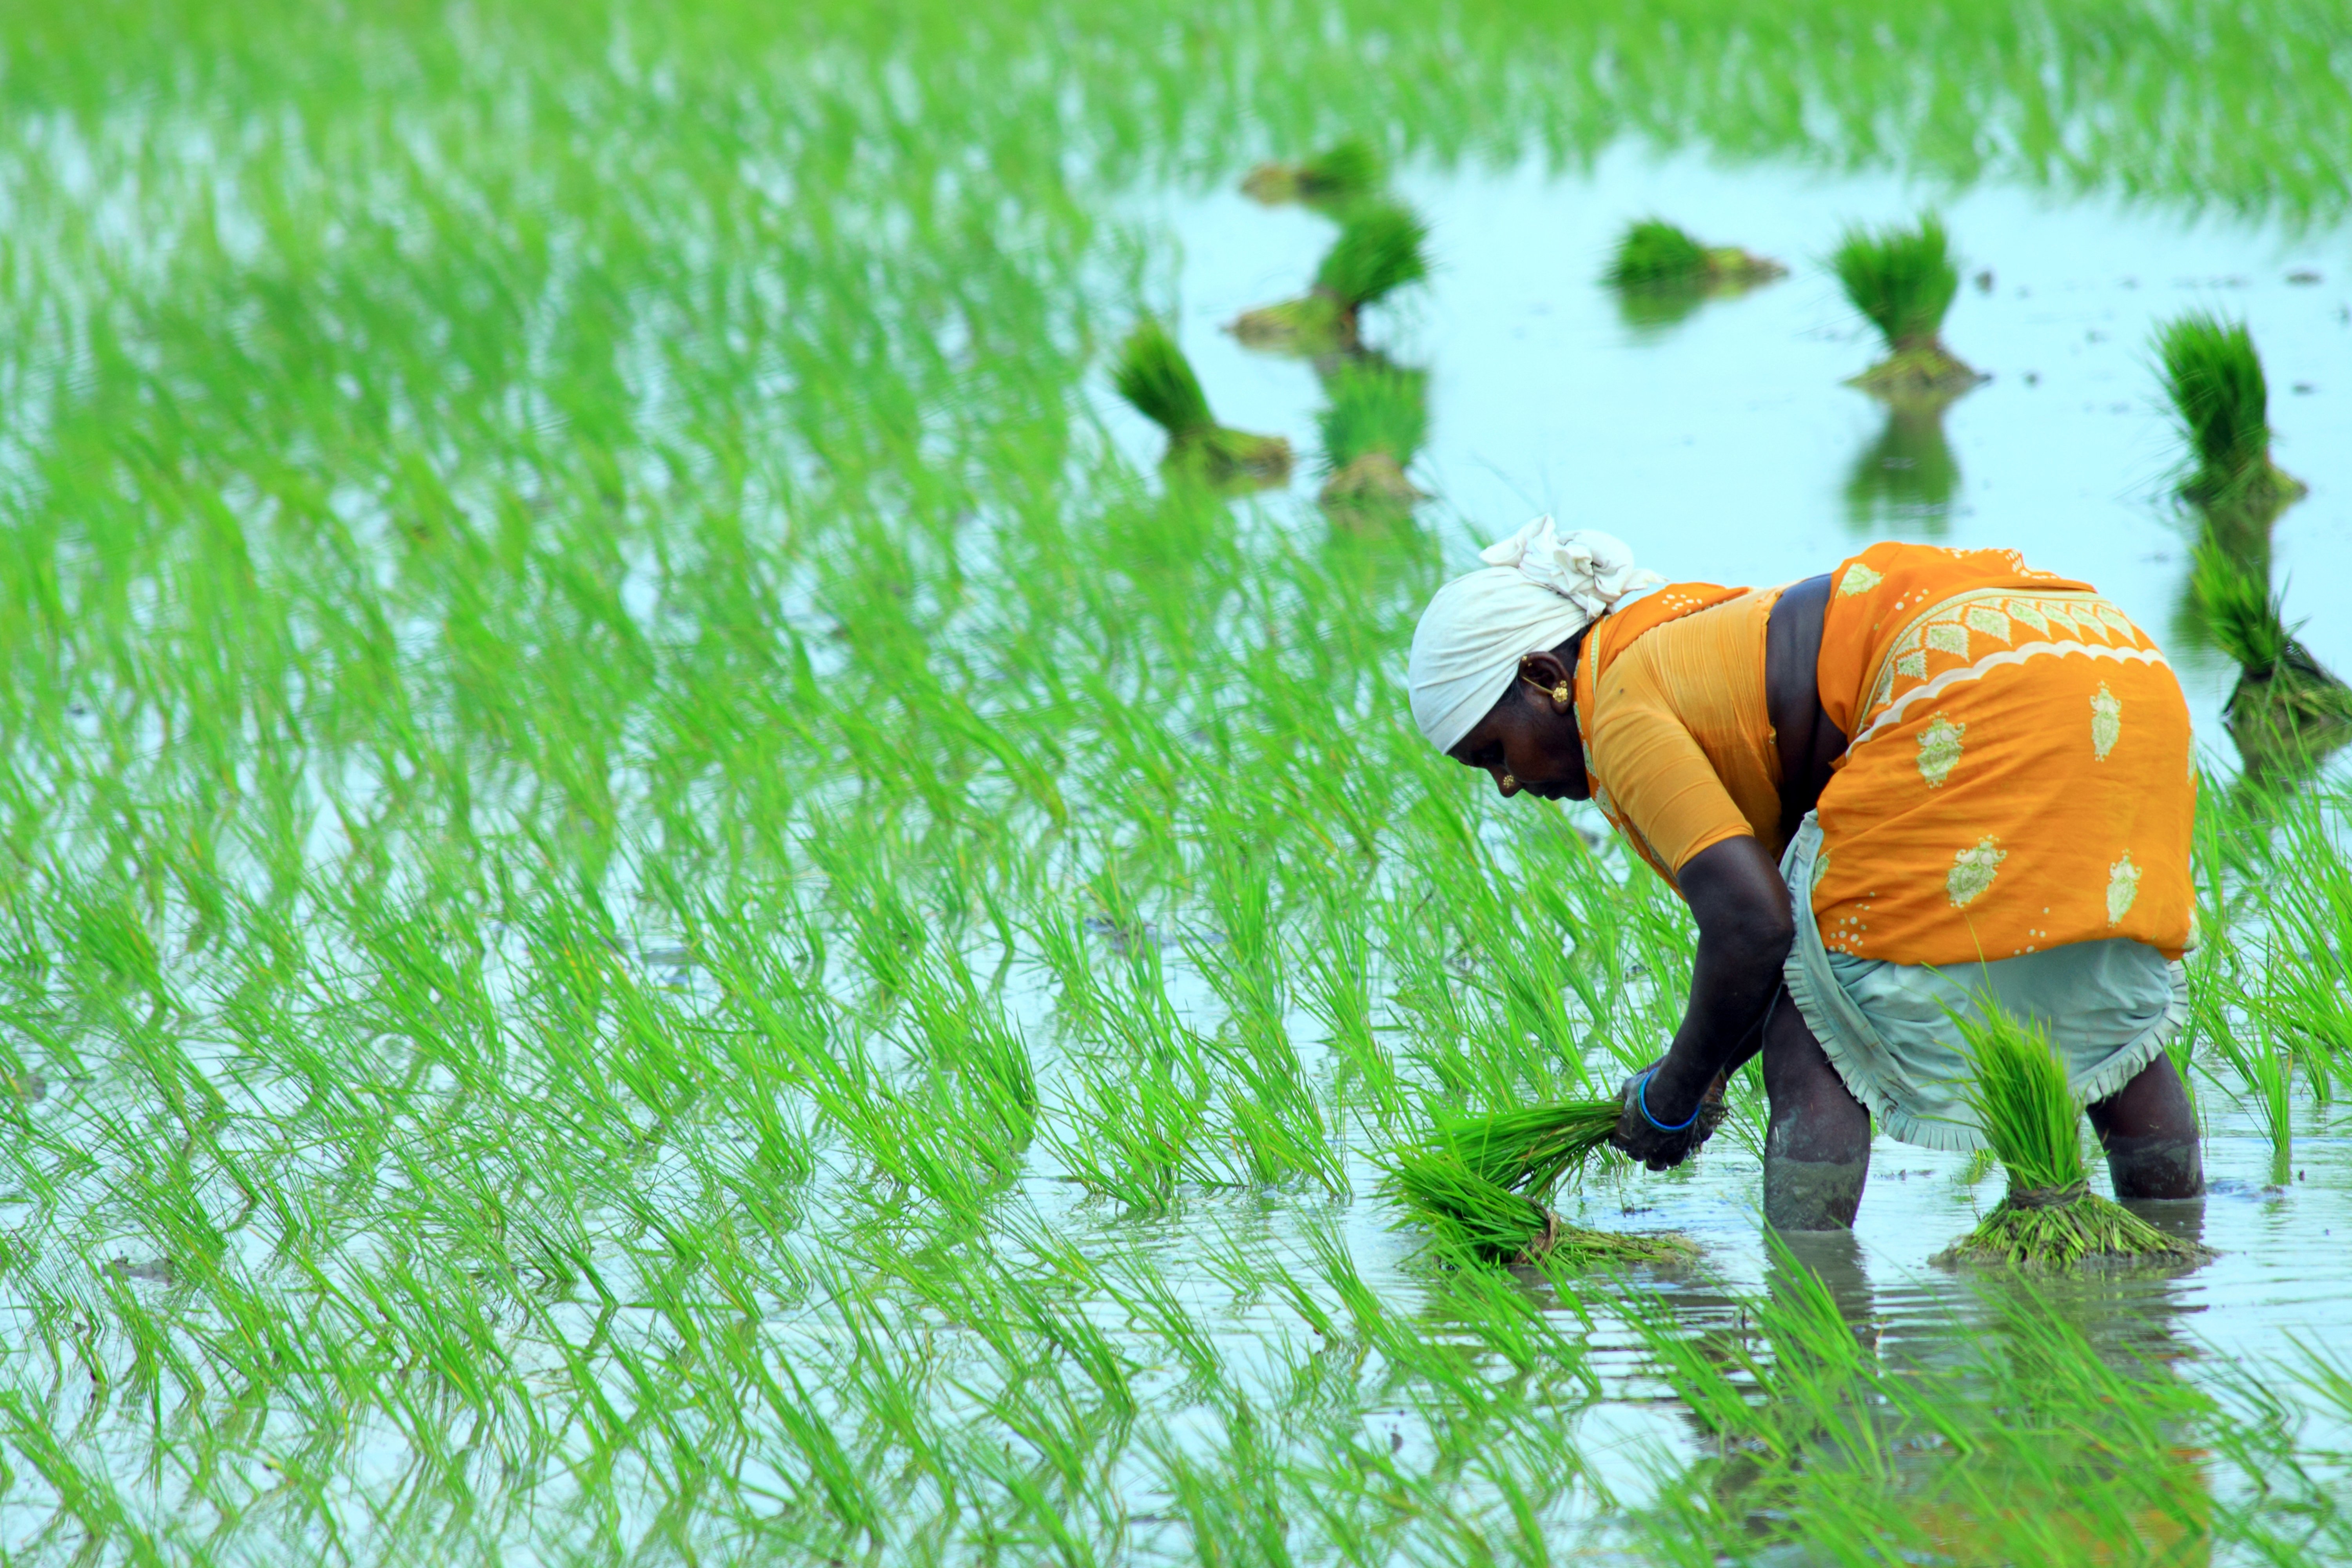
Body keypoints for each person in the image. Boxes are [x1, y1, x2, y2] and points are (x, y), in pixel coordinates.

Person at [1406, 517, 2202, 1229]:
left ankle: (1814, 1296)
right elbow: (1780, 930)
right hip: (2107, 660)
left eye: (1491, 753)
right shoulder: (1685, 632)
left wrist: (1674, 1092)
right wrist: (1704, 1068)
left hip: (1968, 675)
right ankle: (2176, 1245)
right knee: (2087, 977)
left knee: (1808, 1022)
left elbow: (1756, 930)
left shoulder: (1616, 704)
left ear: (1547, 678)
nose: (1507, 784)